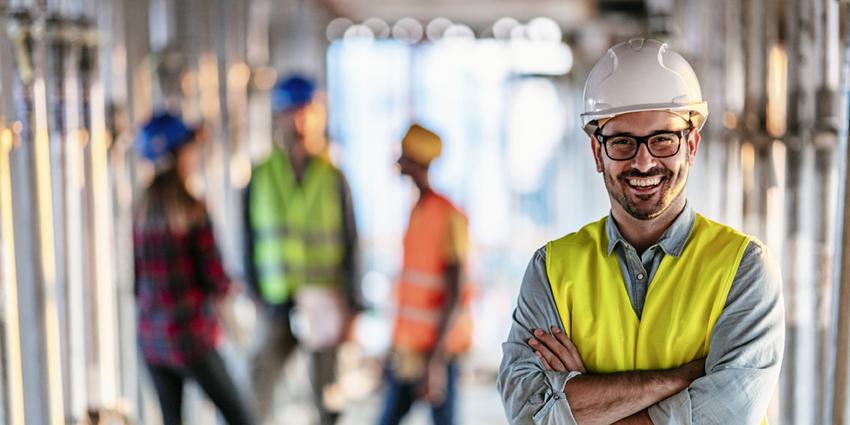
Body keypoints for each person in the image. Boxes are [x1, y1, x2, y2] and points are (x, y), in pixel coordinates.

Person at [497, 38, 784, 425]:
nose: (644, 161)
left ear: (692, 145)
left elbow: (727, 415)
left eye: (663, 139)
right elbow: (526, 412)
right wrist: (679, 379)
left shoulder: (744, 267)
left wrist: (582, 400)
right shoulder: (551, 269)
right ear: (598, 153)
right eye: (622, 142)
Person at [244, 73, 360, 424]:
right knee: (254, 391)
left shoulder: (333, 177)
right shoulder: (261, 176)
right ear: (278, 116)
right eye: (291, 111)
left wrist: (352, 307)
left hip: (324, 303)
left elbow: (351, 242)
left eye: (306, 112)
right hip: (276, 301)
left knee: (327, 396)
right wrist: (255, 296)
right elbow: (247, 241)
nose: (299, 121)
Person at [133, 112, 254, 425]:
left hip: (152, 340)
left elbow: (136, 283)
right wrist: (235, 286)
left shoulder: (142, 210)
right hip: (190, 339)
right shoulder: (193, 209)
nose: (195, 153)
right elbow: (215, 279)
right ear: (176, 155)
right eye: (189, 146)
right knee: (240, 417)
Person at [378, 124, 473, 425]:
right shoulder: (417, 210)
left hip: (437, 350)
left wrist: (435, 358)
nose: (398, 162)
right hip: (411, 348)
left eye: (404, 156)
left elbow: (456, 290)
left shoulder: (449, 215)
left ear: (417, 161)